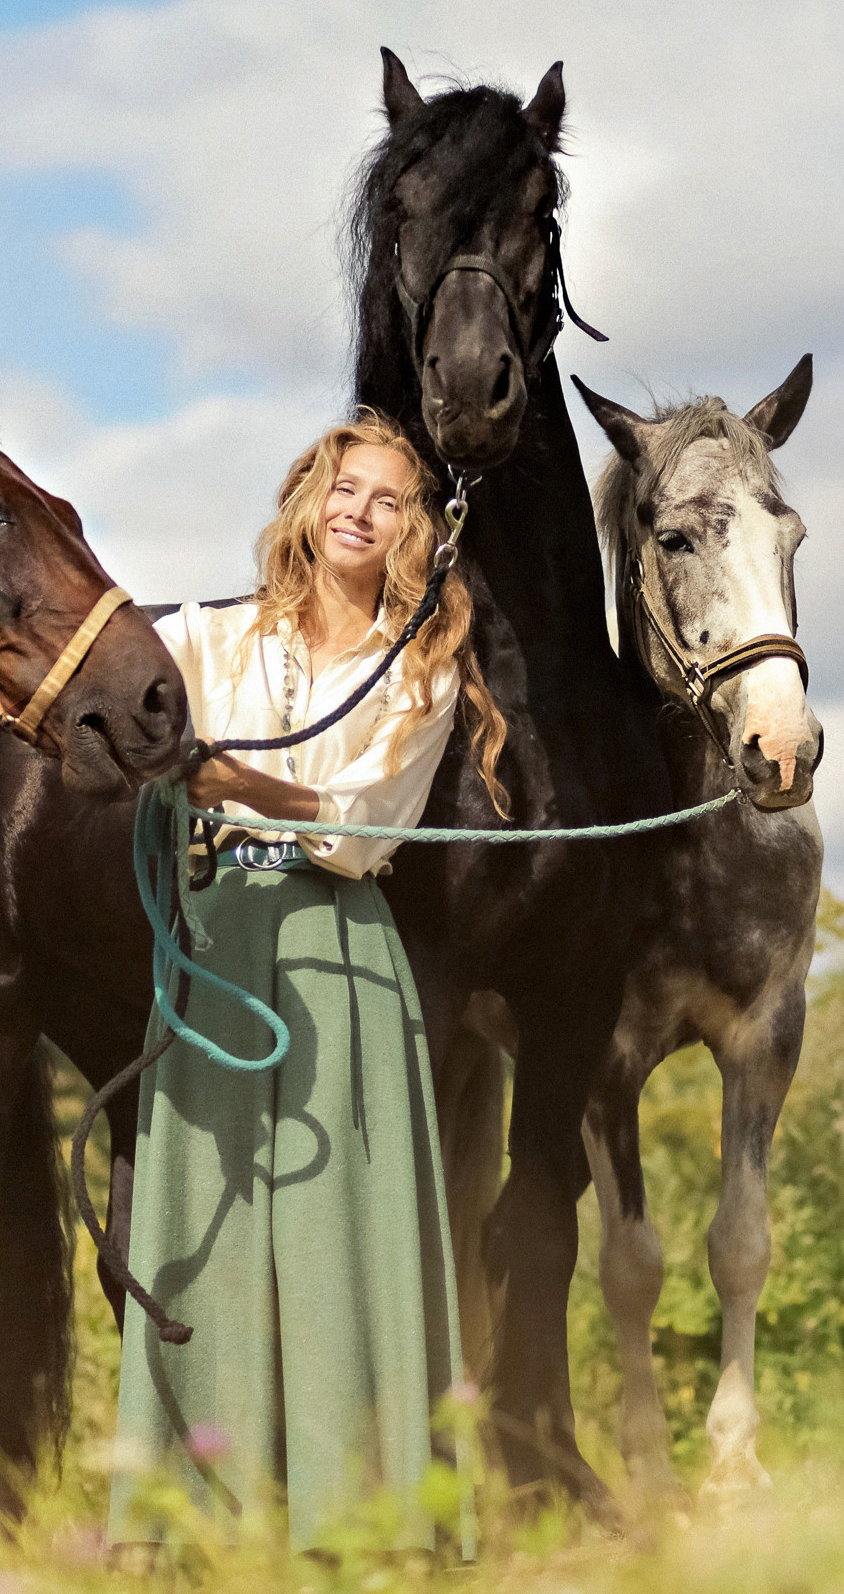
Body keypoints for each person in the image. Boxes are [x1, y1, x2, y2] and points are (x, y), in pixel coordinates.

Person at [107, 410, 508, 1558]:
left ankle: (360, 1525)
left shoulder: (421, 670)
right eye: (342, 488)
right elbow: (118, 688)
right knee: (210, 1230)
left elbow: (365, 830)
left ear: (411, 532)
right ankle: (196, 1531)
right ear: (306, 501)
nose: (359, 511)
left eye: (386, 499)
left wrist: (243, 784)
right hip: (218, 940)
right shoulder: (208, 640)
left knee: (344, 1242)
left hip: (340, 952)